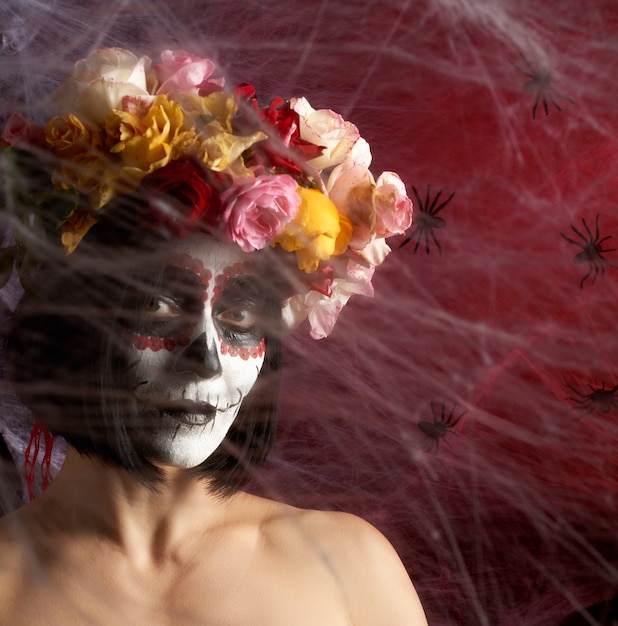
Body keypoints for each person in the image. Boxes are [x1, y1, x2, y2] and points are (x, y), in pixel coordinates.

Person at [0, 47, 427, 624]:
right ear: (74, 324)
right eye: (158, 308)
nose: (205, 359)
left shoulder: (350, 571)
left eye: (242, 321)